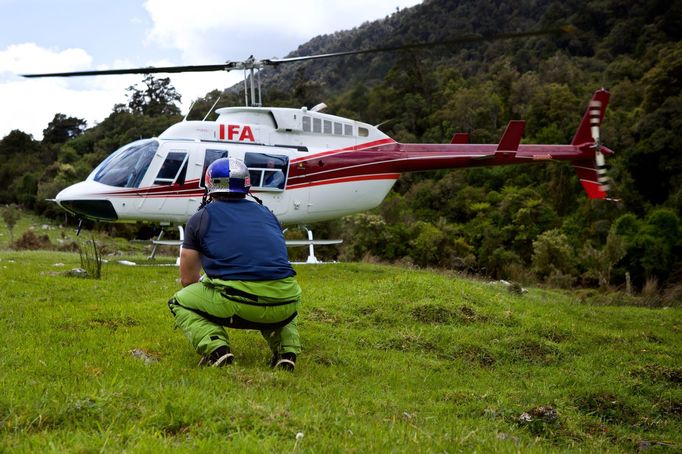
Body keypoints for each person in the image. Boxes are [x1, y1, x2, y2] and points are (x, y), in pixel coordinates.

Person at [167, 157, 301, 370]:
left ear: (209, 184)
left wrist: (209, 286)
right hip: (288, 302)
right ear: (247, 184)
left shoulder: (200, 218)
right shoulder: (269, 215)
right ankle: (287, 352)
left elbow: (187, 279)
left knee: (179, 301)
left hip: (238, 303)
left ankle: (217, 351)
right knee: (276, 293)